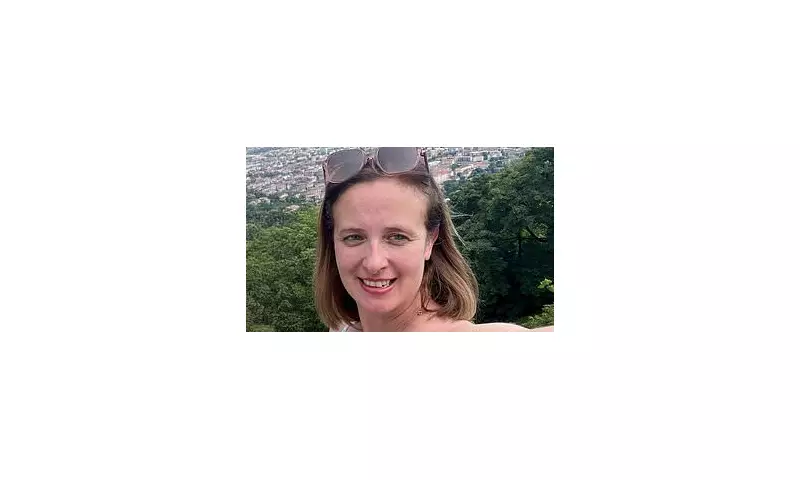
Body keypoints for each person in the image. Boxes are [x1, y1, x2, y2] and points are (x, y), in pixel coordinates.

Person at [313, 147, 552, 332]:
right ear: (332, 241)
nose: (374, 263)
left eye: (397, 237)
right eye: (354, 237)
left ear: (430, 240)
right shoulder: (342, 328)